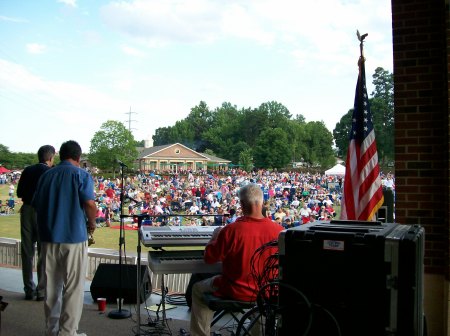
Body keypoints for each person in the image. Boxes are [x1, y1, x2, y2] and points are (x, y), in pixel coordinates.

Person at [189, 183, 283, 336]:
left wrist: (214, 238)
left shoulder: (231, 230)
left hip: (234, 290)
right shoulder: (279, 231)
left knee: (197, 289)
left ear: (241, 204)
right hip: (266, 293)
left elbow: (209, 259)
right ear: (263, 203)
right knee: (259, 306)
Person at [33, 140, 97, 336]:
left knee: (51, 287)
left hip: (49, 237)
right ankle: (68, 332)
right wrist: (92, 224)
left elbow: (36, 204)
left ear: (60, 156)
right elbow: (90, 204)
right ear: (78, 157)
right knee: (73, 288)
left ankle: (52, 330)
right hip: (74, 237)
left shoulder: (46, 175)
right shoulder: (81, 174)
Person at [16, 145, 56, 301]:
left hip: (26, 210)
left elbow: (19, 192)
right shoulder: (50, 172)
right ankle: (41, 290)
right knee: (43, 250)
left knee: (27, 251)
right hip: (42, 211)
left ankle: (28, 289)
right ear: (50, 158)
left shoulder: (27, 170)